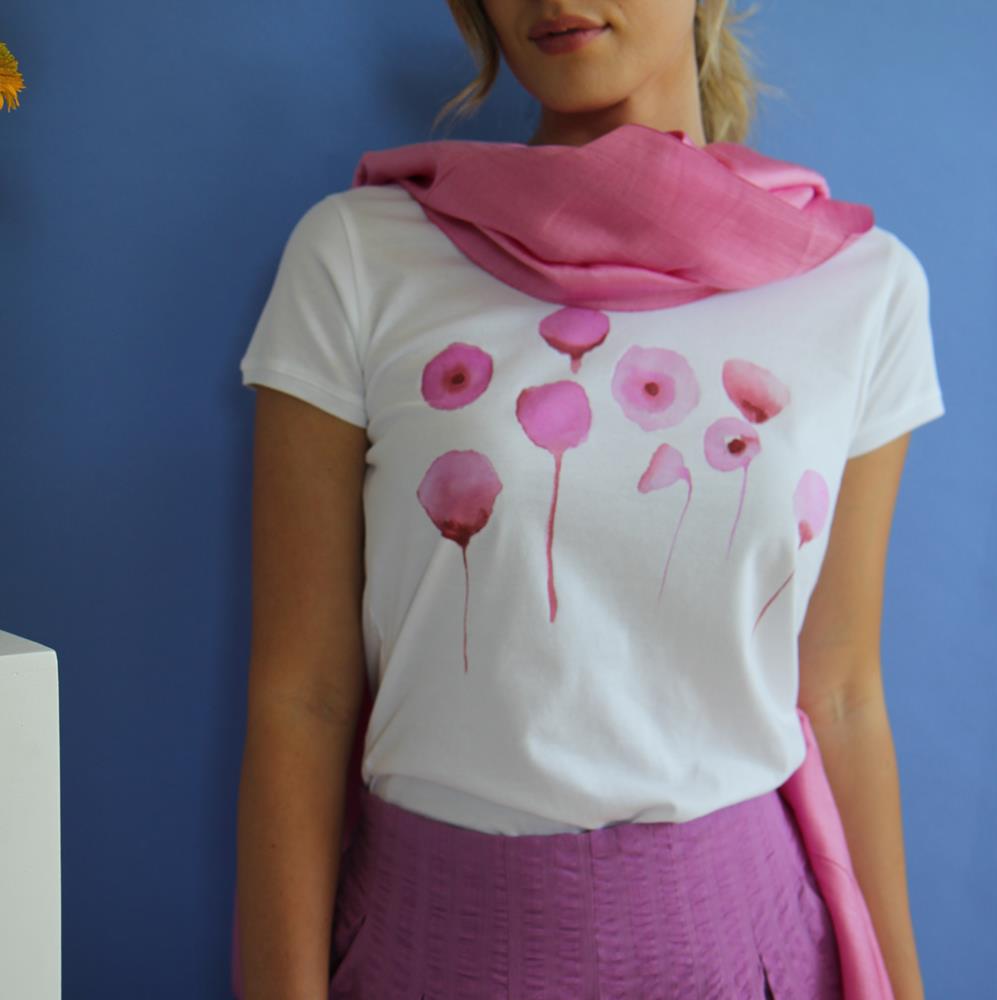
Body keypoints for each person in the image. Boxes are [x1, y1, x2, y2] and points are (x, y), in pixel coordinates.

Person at [234, 2, 945, 998]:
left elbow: (841, 695)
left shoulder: (861, 288)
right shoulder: (357, 256)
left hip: (754, 953)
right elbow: (301, 699)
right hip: (429, 946)